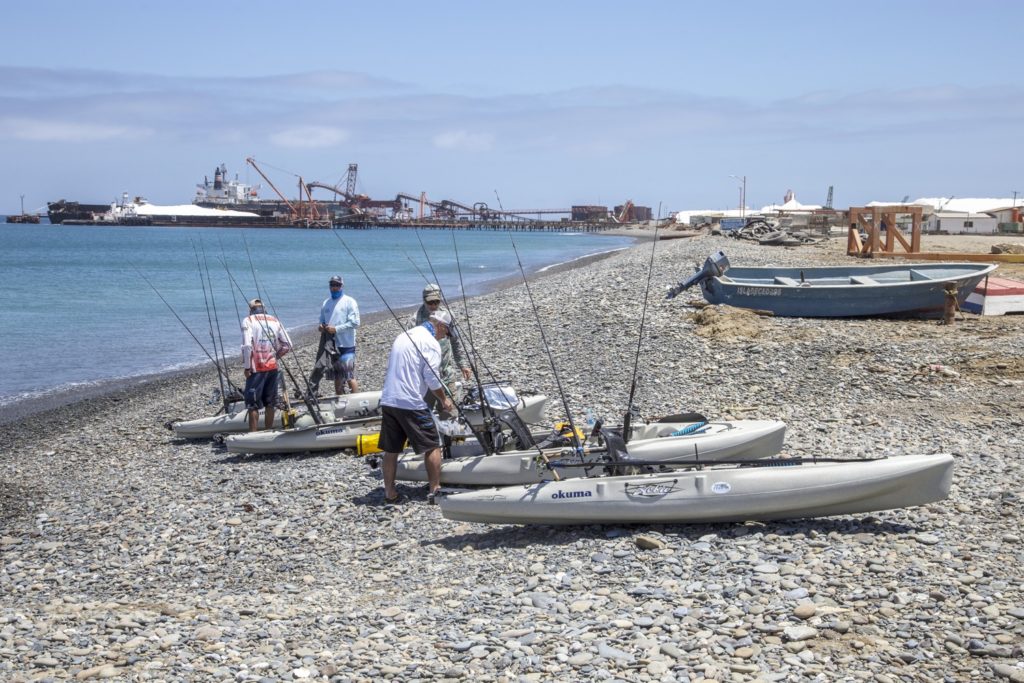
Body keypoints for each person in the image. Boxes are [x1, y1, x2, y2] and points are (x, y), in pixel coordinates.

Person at [379, 309, 455, 505]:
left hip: (388, 399)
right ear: (441, 326)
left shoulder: (404, 335)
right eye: (446, 333)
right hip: (411, 402)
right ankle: (435, 490)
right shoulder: (430, 343)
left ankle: (390, 493)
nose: (445, 337)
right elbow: (431, 378)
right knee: (432, 444)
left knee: (391, 449)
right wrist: (444, 400)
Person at [405, 283, 472, 412]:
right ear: (424, 300)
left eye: (437, 302)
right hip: (425, 379)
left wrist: (462, 364)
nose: (434, 305)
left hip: (446, 374)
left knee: (450, 412)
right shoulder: (415, 320)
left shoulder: (447, 316)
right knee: (424, 414)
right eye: (430, 302)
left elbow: (455, 341)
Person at [241, 298, 292, 432]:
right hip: (273, 366)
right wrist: (276, 356)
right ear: (264, 308)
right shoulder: (275, 320)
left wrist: (247, 367)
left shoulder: (248, 320)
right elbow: (288, 345)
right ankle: (268, 431)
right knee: (271, 402)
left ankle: (254, 435)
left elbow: (247, 346)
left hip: (256, 368)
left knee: (253, 404)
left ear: (250, 309)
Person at [309, 274, 360, 396]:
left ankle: (357, 400)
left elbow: (355, 323)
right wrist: (321, 327)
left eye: (337, 285)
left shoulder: (349, 301)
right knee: (337, 376)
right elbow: (321, 321)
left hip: (346, 344)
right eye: (332, 285)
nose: (334, 287)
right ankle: (340, 402)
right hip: (331, 346)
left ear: (342, 286)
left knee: (348, 375)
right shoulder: (326, 303)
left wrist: (336, 329)